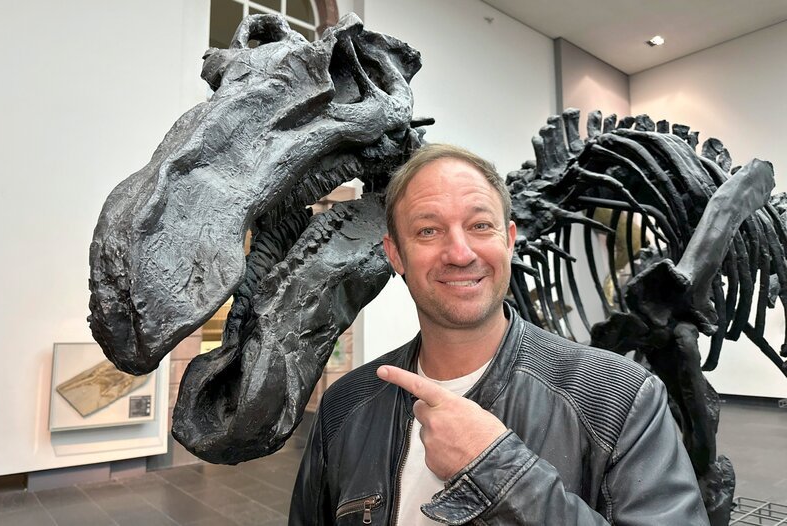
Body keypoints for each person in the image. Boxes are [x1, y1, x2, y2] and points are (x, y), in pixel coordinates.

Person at [289, 144, 709, 525]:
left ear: (509, 240)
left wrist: (498, 469)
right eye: (428, 231)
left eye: (479, 226)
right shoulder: (342, 408)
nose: (460, 253)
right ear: (395, 254)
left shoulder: (622, 400)